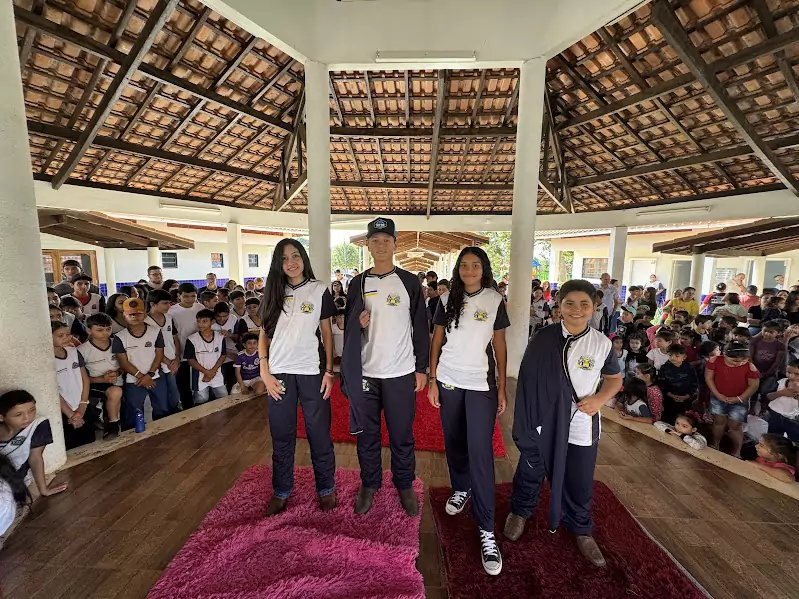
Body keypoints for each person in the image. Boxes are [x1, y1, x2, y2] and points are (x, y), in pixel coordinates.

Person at [504, 279, 622, 568]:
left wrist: (598, 400)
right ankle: (520, 510)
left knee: (579, 480)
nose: (577, 310)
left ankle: (580, 527)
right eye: (570, 303)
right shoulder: (543, 338)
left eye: (585, 304)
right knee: (532, 467)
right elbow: (528, 382)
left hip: (582, 422)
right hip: (544, 420)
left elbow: (614, 380)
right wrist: (530, 420)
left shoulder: (601, 344)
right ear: (559, 305)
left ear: (595, 306)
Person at [428, 246, 509, 576]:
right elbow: (435, 341)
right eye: (465, 265)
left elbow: (500, 345)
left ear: (484, 269)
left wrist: (502, 386)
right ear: (458, 269)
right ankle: (461, 488)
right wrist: (432, 378)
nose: (470, 270)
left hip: (480, 384)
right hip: (448, 379)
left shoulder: (494, 300)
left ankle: (487, 530)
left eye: (476, 265)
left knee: (480, 451)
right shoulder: (446, 300)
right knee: (455, 441)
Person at [340, 217, 429, 517]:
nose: (380, 245)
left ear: (395, 244)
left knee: (402, 433)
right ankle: (370, 484)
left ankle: (404, 484)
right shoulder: (358, 282)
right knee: (367, 434)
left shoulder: (409, 281)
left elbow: (420, 326)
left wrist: (422, 368)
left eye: (386, 240)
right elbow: (347, 323)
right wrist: (355, 322)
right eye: (374, 240)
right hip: (367, 372)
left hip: (401, 372)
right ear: (367, 244)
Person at [258, 238, 337, 516]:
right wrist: (264, 372)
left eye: (295, 256)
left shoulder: (319, 290)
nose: (290, 262)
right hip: (279, 374)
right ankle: (281, 491)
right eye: (284, 258)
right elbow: (264, 334)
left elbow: (327, 334)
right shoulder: (273, 291)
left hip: (312, 373)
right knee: (282, 435)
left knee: (319, 435)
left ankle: (326, 488)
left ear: (304, 258)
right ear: (278, 264)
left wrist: (329, 372)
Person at [113, 298, 175, 429]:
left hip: (156, 377)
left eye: (138, 313)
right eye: (130, 314)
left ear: (145, 314)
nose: (134, 317)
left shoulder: (155, 331)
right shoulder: (119, 337)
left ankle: (164, 435)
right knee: (132, 413)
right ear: (124, 315)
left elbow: (159, 354)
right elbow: (123, 362)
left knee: (162, 408)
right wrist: (141, 376)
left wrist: (150, 374)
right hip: (133, 380)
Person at [0, 390, 68, 497]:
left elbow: (35, 457)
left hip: (12, 478)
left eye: (32, 410)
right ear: (1, 417)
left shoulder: (37, 425)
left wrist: (44, 490)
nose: (28, 417)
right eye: (18, 414)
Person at [705, 342, 760, 458]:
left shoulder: (750, 367)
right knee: (719, 422)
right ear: (724, 354)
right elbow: (709, 378)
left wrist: (739, 398)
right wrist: (718, 395)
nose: (739, 363)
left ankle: (737, 451)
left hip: (740, 401)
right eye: (734, 361)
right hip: (718, 397)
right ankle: (715, 444)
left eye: (743, 361)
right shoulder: (714, 361)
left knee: (735, 426)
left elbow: (753, 386)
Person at [78, 313, 123, 439]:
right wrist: (102, 379)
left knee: (118, 391)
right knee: (115, 391)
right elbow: (80, 378)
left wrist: (118, 373)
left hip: (117, 380)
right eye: (99, 330)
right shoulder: (82, 350)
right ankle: (113, 425)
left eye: (108, 329)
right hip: (94, 383)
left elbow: (125, 364)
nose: (105, 333)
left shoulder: (117, 343)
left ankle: (113, 421)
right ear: (89, 330)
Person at [52, 321, 95, 449]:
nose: (66, 338)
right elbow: (53, 391)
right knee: (69, 446)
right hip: (63, 411)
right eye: (60, 335)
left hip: (82, 406)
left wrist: (82, 406)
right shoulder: (47, 360)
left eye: (68, 334)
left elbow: (85, 380)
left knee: (89, 443)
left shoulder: (73, 352)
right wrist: (71, 414)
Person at [145, 289, 182, 411]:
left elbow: (175, 339)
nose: (169, 306)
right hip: (156, 364)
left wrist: (177, 358)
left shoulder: (169, 318)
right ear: (153, 304)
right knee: (161, 396)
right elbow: (149, 346)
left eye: (169, 303)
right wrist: (166, 361)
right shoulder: (145, 321)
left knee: (174, 392)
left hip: (172, 362)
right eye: (165, 303)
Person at [168, 283, 203, 409]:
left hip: (200, 352)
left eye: (193, 296)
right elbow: (172, 334)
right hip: (181, 352)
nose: (190, 300)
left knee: (198, 380)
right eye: (186, 296)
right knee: (183, 382)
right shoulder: (172, 311)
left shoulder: (200, 307)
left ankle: (200, 403)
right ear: (179, 296)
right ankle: (187, 406)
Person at [184, 309, 229, 404]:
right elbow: (190, 360)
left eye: (204, 321)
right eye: (198, 321)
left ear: (212, 322)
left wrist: (212, 372)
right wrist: (206, 372)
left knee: (223, 398)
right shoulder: (192, 339)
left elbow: (223, 355)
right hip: (200, 376)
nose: (200, 324)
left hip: (217, 374)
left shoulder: (220, 337)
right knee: (201, 401)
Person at [749, 321, 785, 415]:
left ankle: (763, 409)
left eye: (771, 332)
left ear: (779, 333)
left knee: (766, 392)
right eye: (765, 331)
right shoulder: (755, 341)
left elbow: (777, 363)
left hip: (770, 373)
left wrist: (767, 373)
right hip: (754, 371)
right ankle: (751, 409)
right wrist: (755, 371)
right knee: (753, 391)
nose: (767, 333)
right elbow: (750, 357)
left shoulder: (780, 345)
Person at [658, 344, 698, 424]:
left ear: (684, 357)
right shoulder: (664, 368)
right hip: (669, 399)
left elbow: (694, 383)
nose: (672, 358)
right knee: (669, 419)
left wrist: (687, 396)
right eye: (670, 355)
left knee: (684, 419)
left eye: (677, 356)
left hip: (686, 399)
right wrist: (671, 395)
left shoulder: (689, 368)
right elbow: (661, 384)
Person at [765, 359, 799, 442]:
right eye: (789, 372)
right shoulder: (781, 382)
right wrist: (782, 393)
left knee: (795, 441)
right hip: (775, 415)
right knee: (773, 440)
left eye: (797, 374)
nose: (791, 376)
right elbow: (769, 396)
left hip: (794, 421)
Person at [212, 302, 238, 392]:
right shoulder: (210, 322)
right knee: (219, 382)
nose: (222, 319)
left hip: (231, 355)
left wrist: (229, 334)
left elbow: (237, 336)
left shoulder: (233, 319)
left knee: (232, 380)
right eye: (219, 316)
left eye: (225, 316)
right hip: (216, 356)